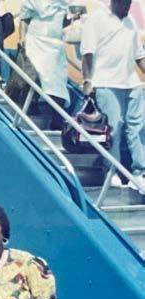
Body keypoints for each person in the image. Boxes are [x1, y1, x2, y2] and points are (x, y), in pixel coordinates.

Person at [81, 0, 145, 190]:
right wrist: (87, 81)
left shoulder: (130, 21)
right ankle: (111, 171)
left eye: (129, 3)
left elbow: (139, 56)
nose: (127, 6)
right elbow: (87, 53)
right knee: (113, 129)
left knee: (138, 127)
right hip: (106, 82)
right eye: (124, 2)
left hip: (131, 82)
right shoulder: (96, 18)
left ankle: (140, 172)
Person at [19, 0, 70, 129]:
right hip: (36, 40)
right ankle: (31, 105)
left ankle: (57, 118)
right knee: (34, 75)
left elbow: (64, 21)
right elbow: (24, 18)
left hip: (55, 44)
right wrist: (22, 37)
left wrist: (72, 17)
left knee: (58, 81)